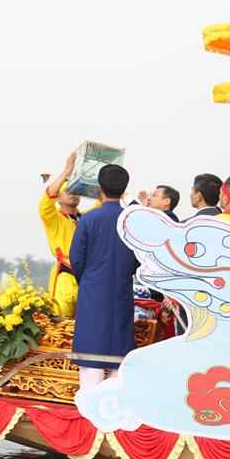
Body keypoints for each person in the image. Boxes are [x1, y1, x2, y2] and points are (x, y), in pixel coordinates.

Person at [71, 164, 140, 391]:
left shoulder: (89, 220)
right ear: (124, 189)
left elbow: (76, 259)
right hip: (121, 292)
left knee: (91, 367)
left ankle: (90, 419)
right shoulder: (130, 222)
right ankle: (113, 420)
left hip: (92, 294)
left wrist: (90, 281)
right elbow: (138, 260)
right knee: (118, 363)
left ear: (99, 188)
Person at [38, 151, 100, 318]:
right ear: (58, 197)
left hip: (87, 279)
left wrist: (97, 168)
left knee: (88, 323)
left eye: (77, 191)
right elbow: (46, 199)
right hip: (66, 276)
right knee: (62, 325)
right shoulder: (53, 218)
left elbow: (103, 201)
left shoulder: (86, 219)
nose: (74, 193)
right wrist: (67, 171)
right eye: (68, 190)